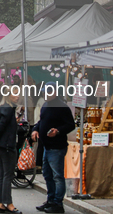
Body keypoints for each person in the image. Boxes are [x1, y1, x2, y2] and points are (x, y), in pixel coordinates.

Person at [31, 82, 75, 214]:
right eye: (44, 92)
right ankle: (50, 200)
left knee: (57, 176)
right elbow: (41, 121)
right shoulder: (45, 105)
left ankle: (58, 203)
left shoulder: (62, 107)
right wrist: (35, 129)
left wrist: (58, 131)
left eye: (48, 92)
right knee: (47, 174)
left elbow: (70, 125)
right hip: (46, 146)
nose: (46, 94)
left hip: (57, 147)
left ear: (55, 92)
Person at [0, 89, 20, 214]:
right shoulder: (7, 109)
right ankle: (8, 202)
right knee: (7, 175)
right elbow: (0, 127)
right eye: (15, 93)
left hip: (2, 145)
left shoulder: (3, 108)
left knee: (2, 175)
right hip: (6, 146)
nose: (17, 96)